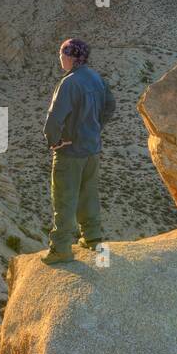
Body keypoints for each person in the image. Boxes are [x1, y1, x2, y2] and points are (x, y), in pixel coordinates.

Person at [41, 38, 115, 264]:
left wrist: (54, 141)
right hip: (91, 150)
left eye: (62, 54)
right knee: (88, 194)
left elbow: (54, 119)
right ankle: (92, 237)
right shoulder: (95, 77)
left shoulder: (70, 83)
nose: (60, 58)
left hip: (70, 152)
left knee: (64, 199)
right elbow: (110, 106)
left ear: (71, 57)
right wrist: (95, 128)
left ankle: (61, 248)